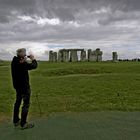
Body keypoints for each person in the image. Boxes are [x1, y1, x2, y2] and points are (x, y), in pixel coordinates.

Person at [11, 48, 38, 130]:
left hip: (17, 86)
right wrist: (33, 59)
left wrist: (25, 59)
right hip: (24, 87)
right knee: (26, 104)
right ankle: (23, 124)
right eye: (25, 53)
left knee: (18, 102)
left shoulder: (14, 61)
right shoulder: (22, 63)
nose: (26, 54)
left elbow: (21, 63)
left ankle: (16, 121)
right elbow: (34, 66)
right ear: (22, 54)